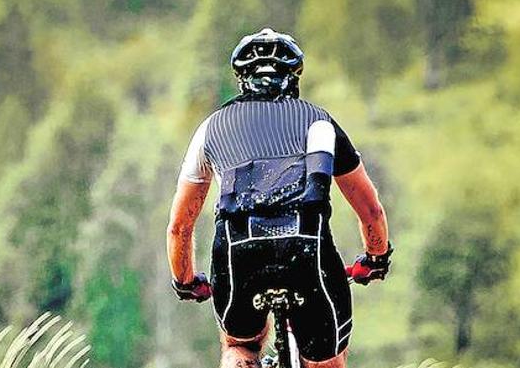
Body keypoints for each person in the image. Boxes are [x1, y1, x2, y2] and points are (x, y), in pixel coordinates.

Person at [167, 28, 392, 368]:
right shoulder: (319, 121)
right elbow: (370, 210)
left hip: (237, 254)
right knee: (325, 361)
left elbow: (180, 227)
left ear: (242, 79)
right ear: (293, 77)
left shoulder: (210, 129)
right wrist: (375, 258)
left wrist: (185, 281)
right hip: (308, 251)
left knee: (239, 346)